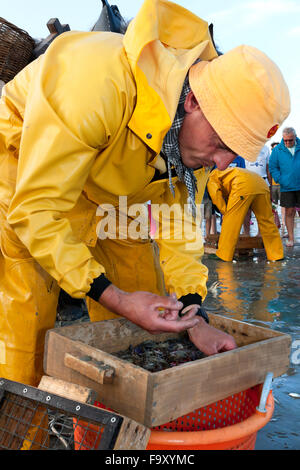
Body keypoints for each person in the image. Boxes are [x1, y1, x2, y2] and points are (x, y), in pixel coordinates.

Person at [0, 0, 290, 386]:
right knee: (29, 337)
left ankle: (122, 434)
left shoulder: (196, 148)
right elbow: (36, 208)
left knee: (148, 314)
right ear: (193, 102)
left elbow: (180, 231)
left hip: (116, 192)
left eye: (233, 153)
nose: (223, 164)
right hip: (28, 173)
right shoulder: (97, 79)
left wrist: (193, 315)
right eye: (222, 145)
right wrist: (111, 294)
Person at [206, 168, 284, 262]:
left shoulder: (211, 177)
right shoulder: (227, 172)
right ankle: (276, 255)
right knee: (267, 221)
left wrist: (225, 212)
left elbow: (216, 196)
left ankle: (224, 255)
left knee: (230, 222)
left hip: (242, 185)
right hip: (261, 184)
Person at [269, 127, 300, 247]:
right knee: (289, 212)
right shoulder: (277, 150)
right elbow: (273, 167)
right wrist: (280, 179)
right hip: (287, 186)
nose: (287, 143)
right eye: (285, 140)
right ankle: (291, 238)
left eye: (290, 140)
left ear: (295, 137)